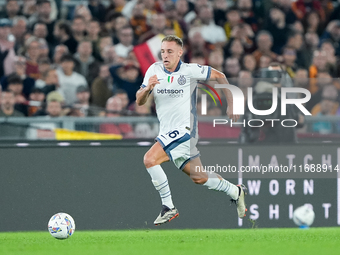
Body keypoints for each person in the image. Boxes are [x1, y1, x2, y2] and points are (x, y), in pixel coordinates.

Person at [135, 35, 247, 226]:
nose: (165, 55)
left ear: (180, 53)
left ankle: (168, 206)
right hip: (168, 133)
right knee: (199, 177)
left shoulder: (190, 70)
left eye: (170, 51)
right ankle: (235, 191)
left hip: (185, 130)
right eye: (163, 51)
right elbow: (139, 100)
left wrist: (232, 103)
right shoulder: (154, 70)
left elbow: (220, 76)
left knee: (149, 159)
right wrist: (147, 89)